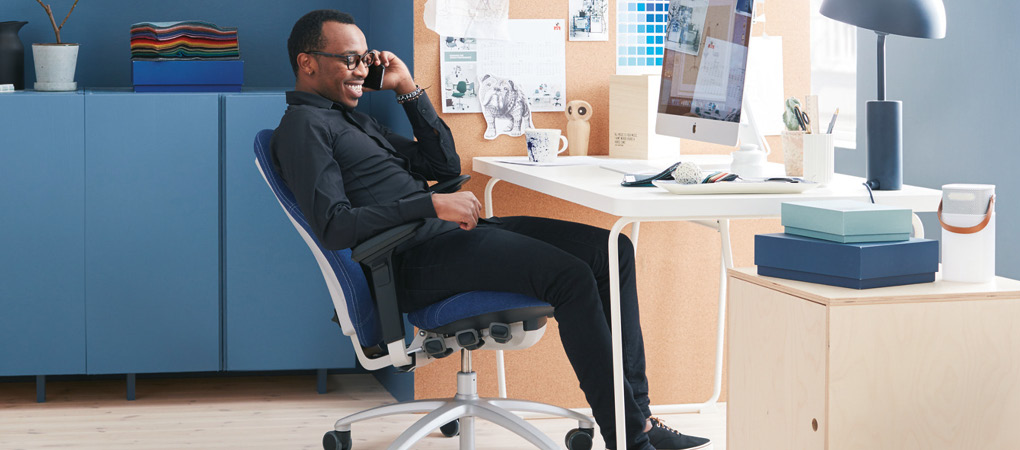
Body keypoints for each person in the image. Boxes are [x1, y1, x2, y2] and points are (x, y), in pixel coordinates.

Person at [270, 9, 712, 450]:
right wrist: (431, 202)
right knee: (570, 276)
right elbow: (334, 226)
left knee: (611, 250)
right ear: (307, 63)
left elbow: (441, 164)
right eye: (350, 60)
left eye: (365, 59)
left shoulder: (351, 119)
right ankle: (630, 439)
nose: (362, 69)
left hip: (449, 237)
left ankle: (642, 418)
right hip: (410, 260)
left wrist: (407, 89)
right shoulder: (304, 128)